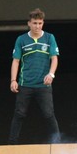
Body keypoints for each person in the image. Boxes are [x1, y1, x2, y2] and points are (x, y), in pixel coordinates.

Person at [8, 8, 61, 144]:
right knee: (19, 114)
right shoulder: (21, 39)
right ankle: (11, 145)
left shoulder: (50, 37)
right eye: (35, 23)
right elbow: (16, 61)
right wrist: (13, 80)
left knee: (49, 114)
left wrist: (51, 74)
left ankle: (57, 144)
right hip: (25, 84)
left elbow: (54, 58)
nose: (37, 26)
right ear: (29, 23)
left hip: (44, 84)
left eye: (40, 23)